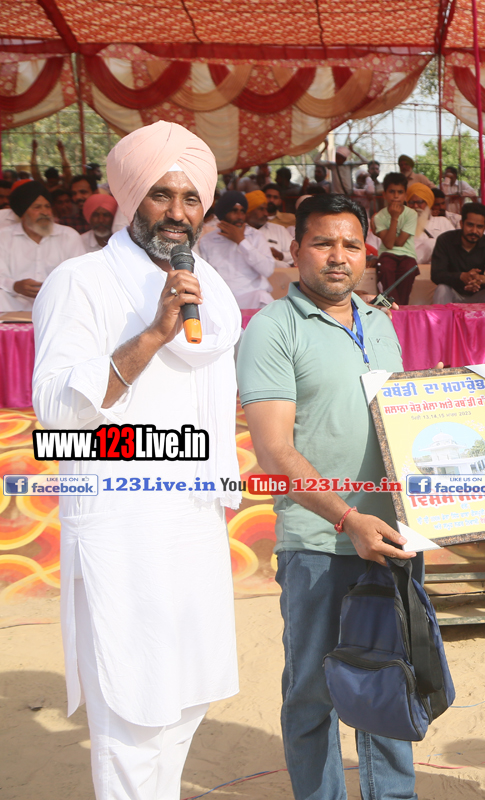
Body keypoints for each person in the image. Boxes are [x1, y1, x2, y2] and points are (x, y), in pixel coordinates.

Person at [31, 120, 242, 800]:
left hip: (194, 518)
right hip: (122, 523)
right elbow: (55, 410)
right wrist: (152, 335)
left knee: (186, 701)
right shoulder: (80, 282)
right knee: (131, 710)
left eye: (191, 198)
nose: (177, 212)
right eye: (161, 194)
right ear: (130, 198)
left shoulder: (212, 291)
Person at [237, 192, 419, 800]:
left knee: (389, 683)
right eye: (323, 243)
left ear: (367, 253)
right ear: (296, 250)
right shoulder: (272, 328)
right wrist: (347, 519)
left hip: (391, 539)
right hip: (320, 542)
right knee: (312, 693)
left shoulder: (381, 324)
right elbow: (274, 452)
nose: (338, 256)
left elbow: (404, 426)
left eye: (351, 244)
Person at [0, 181, 85, 311]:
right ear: (23, 213)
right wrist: (15, 286)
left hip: (58, 305)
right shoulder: (4, 236)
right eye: (37, 207)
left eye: (47, 206)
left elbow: (80, 274)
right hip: (14, 305)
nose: (45, 212)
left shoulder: (68, 235)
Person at [196, 190, 277, 309]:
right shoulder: (208, 240)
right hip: (222, 301)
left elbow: (268, 270)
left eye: (242, 211)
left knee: (263, 297)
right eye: (234, 211)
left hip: (253, 297)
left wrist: (241, 241)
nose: (240, 217)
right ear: (223, 214)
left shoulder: (255, 236)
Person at [430, 202, 485, 303]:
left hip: (479, 293)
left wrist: (480, 279)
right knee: (442, 289)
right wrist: (461, 276)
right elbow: (437, 274)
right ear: (461, 224)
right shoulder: (445, 240)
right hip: (454, 294)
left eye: (479, 227)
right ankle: (440, 315)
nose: (474, 231)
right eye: (470, 225)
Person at [374, 172, 419, 305]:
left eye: (400, 192)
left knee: (409, 269)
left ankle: (400, 307)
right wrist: (394, 217)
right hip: (387, 254)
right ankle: (395, 308)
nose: (396, 196)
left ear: (405, 195)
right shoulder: (379, 217)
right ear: (384, 194)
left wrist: (394, 219)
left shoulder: (411, 214)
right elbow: (389, 244)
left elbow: (400, 242)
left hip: (407, 254)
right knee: (385, 268)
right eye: (391, 191)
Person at [246, 189, 295, 265]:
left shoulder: (279, 230)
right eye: (261, 209)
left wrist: (281, 255)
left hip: (279, 272)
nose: (266, 213)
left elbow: (297, 253)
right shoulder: (238, 232)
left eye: (266, 209)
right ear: (249, 212)